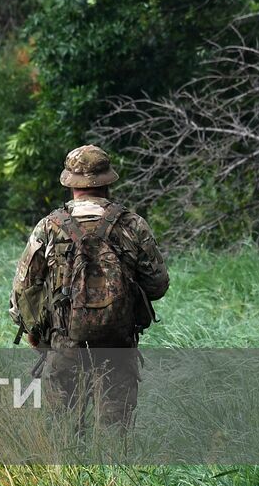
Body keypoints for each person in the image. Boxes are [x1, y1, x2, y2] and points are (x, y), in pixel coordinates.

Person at [9, 145, 169, 430]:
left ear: (70, 182)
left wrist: (34, 331)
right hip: (118, 346)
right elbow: (157, 285)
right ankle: (113, 476)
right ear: (108, 181)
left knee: (64, 433)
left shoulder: (49, 227)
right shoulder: (133, 225)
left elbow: (24, 288)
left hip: (64, 345)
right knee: (113, 436)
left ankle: (68, 476)